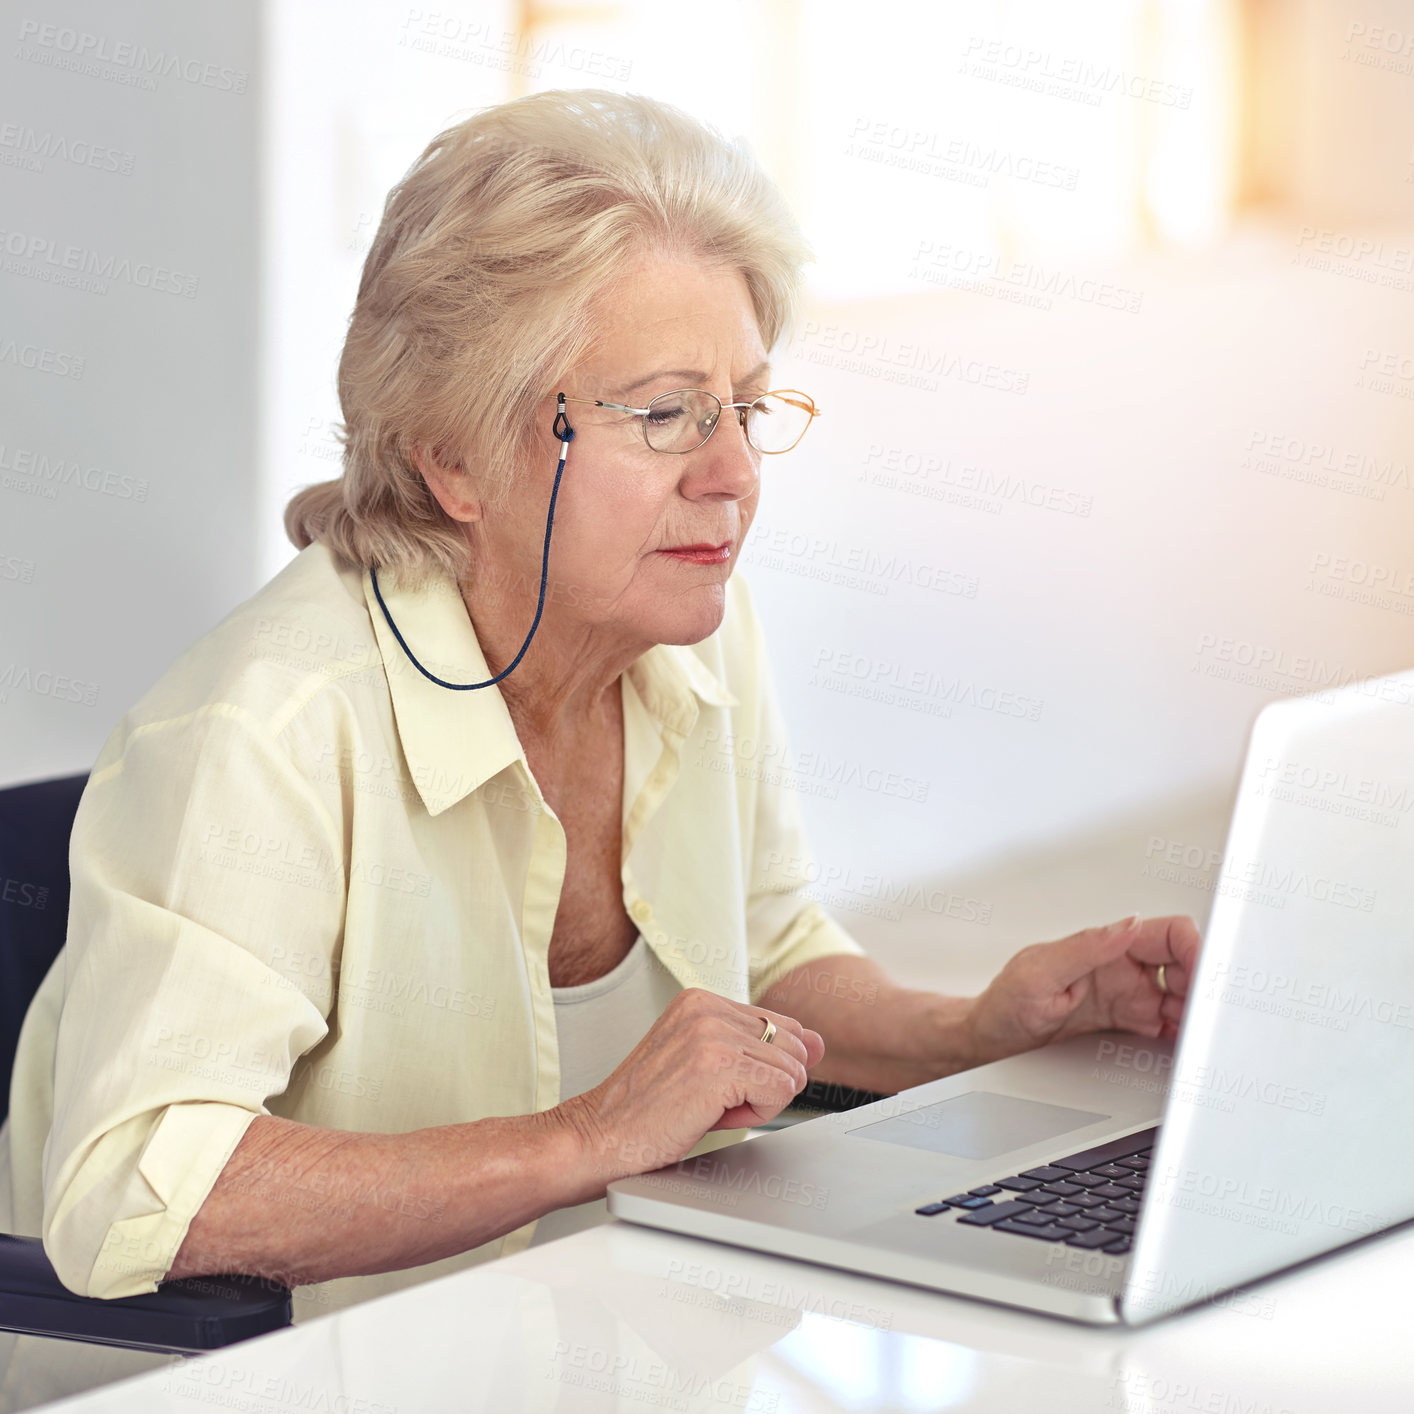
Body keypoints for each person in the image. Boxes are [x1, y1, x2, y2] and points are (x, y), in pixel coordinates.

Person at [0, 88, 1199, 1322]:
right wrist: (586, 1136)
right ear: (454, 456)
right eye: (667, 414)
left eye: (745, 405)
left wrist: (977, 1026)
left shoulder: (689, 632)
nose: (732, 475)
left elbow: (768, 958)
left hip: (584, 1337)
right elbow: (141, 1188)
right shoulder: (266, 731)